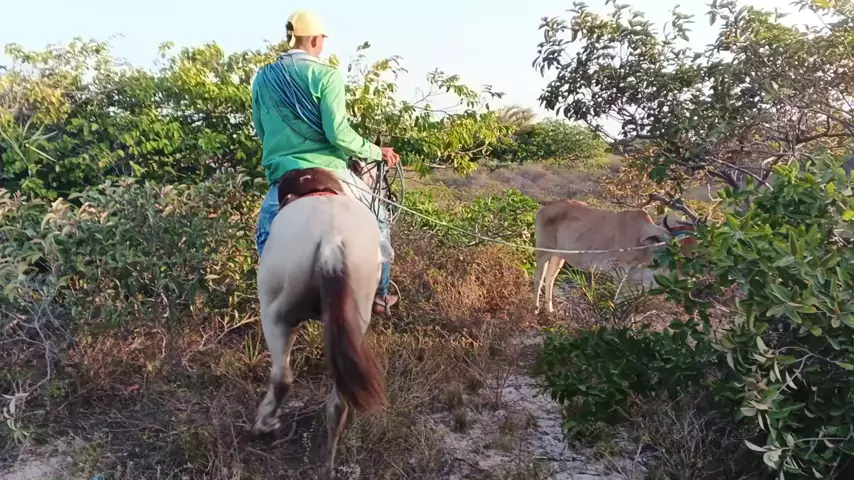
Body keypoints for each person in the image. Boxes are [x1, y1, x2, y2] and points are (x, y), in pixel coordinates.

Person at [252, 9, 400, 314]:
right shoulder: (326, 75)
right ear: (315, 40)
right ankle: (381, 295)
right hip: (329, 169)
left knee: (266, 234)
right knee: (379, 218)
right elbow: (339, 135)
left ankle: (275, 300)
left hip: (284, 175)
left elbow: (261, 130)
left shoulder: (264, 77)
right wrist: (377, 152)